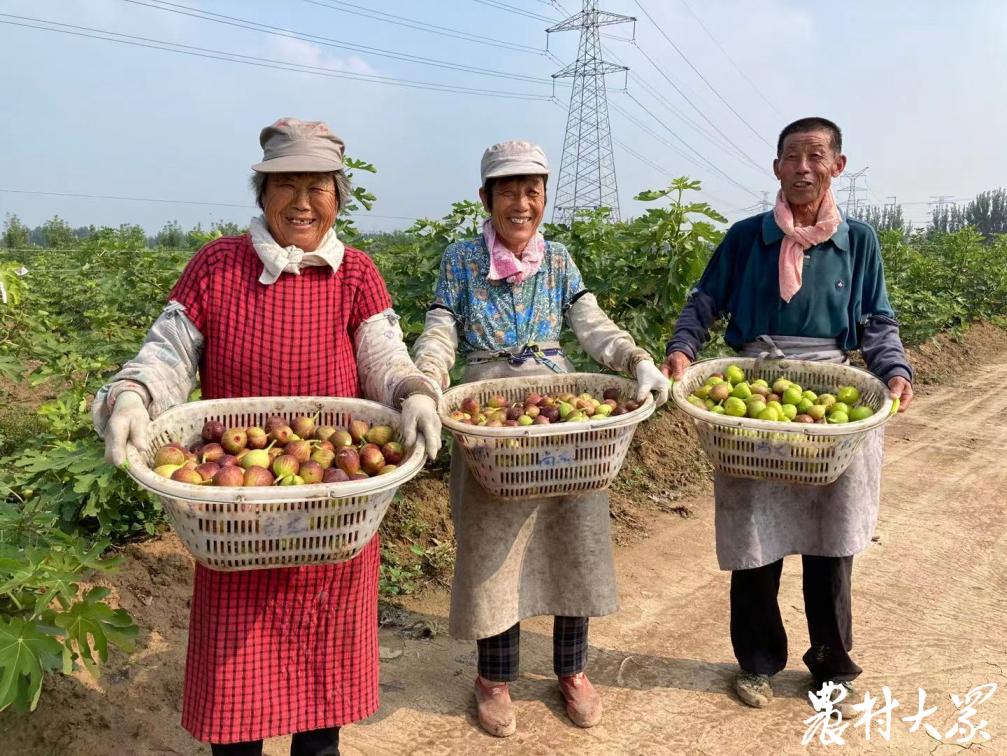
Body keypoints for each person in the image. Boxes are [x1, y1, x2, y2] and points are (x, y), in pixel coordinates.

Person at [93, 118, 442, 756]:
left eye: (318, 186)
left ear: (339, 195)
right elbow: (168, 354)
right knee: (237, 716)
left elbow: (384, 354)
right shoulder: (217, 266)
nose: (302, 202)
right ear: (261, 193)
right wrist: (133, 396)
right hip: (237, 524)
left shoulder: (356, 275)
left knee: (320, 717)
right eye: (285, 185)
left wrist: (413, 392)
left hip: (330, 513)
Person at [411, 140, 669, 737]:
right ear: (486, 198)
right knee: (494, 550)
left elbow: (590, 324)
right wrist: (425, 381)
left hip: (561, 416)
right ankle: (494, 679)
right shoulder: (460, 260)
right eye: (508, 191)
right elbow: (441, 329)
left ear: (545, 197)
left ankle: (572, 669)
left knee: (571, 538)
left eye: (532, 191)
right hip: (488, 421)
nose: (521, 203)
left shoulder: (559, 261)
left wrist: (635, 360)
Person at [662, 117, 914, 714]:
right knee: (757, 535)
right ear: (776, 168)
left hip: (830, 394)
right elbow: (703, 302)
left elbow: (877, 322)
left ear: (837, 166)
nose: (803, 167)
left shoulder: (859, 242)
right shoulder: (748, 237)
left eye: (816, 156)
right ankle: (756, 663)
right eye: (792, 157)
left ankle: (832, 669)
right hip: (752, 392)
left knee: (832, 539)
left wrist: (895, 370)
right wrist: (682, 348)